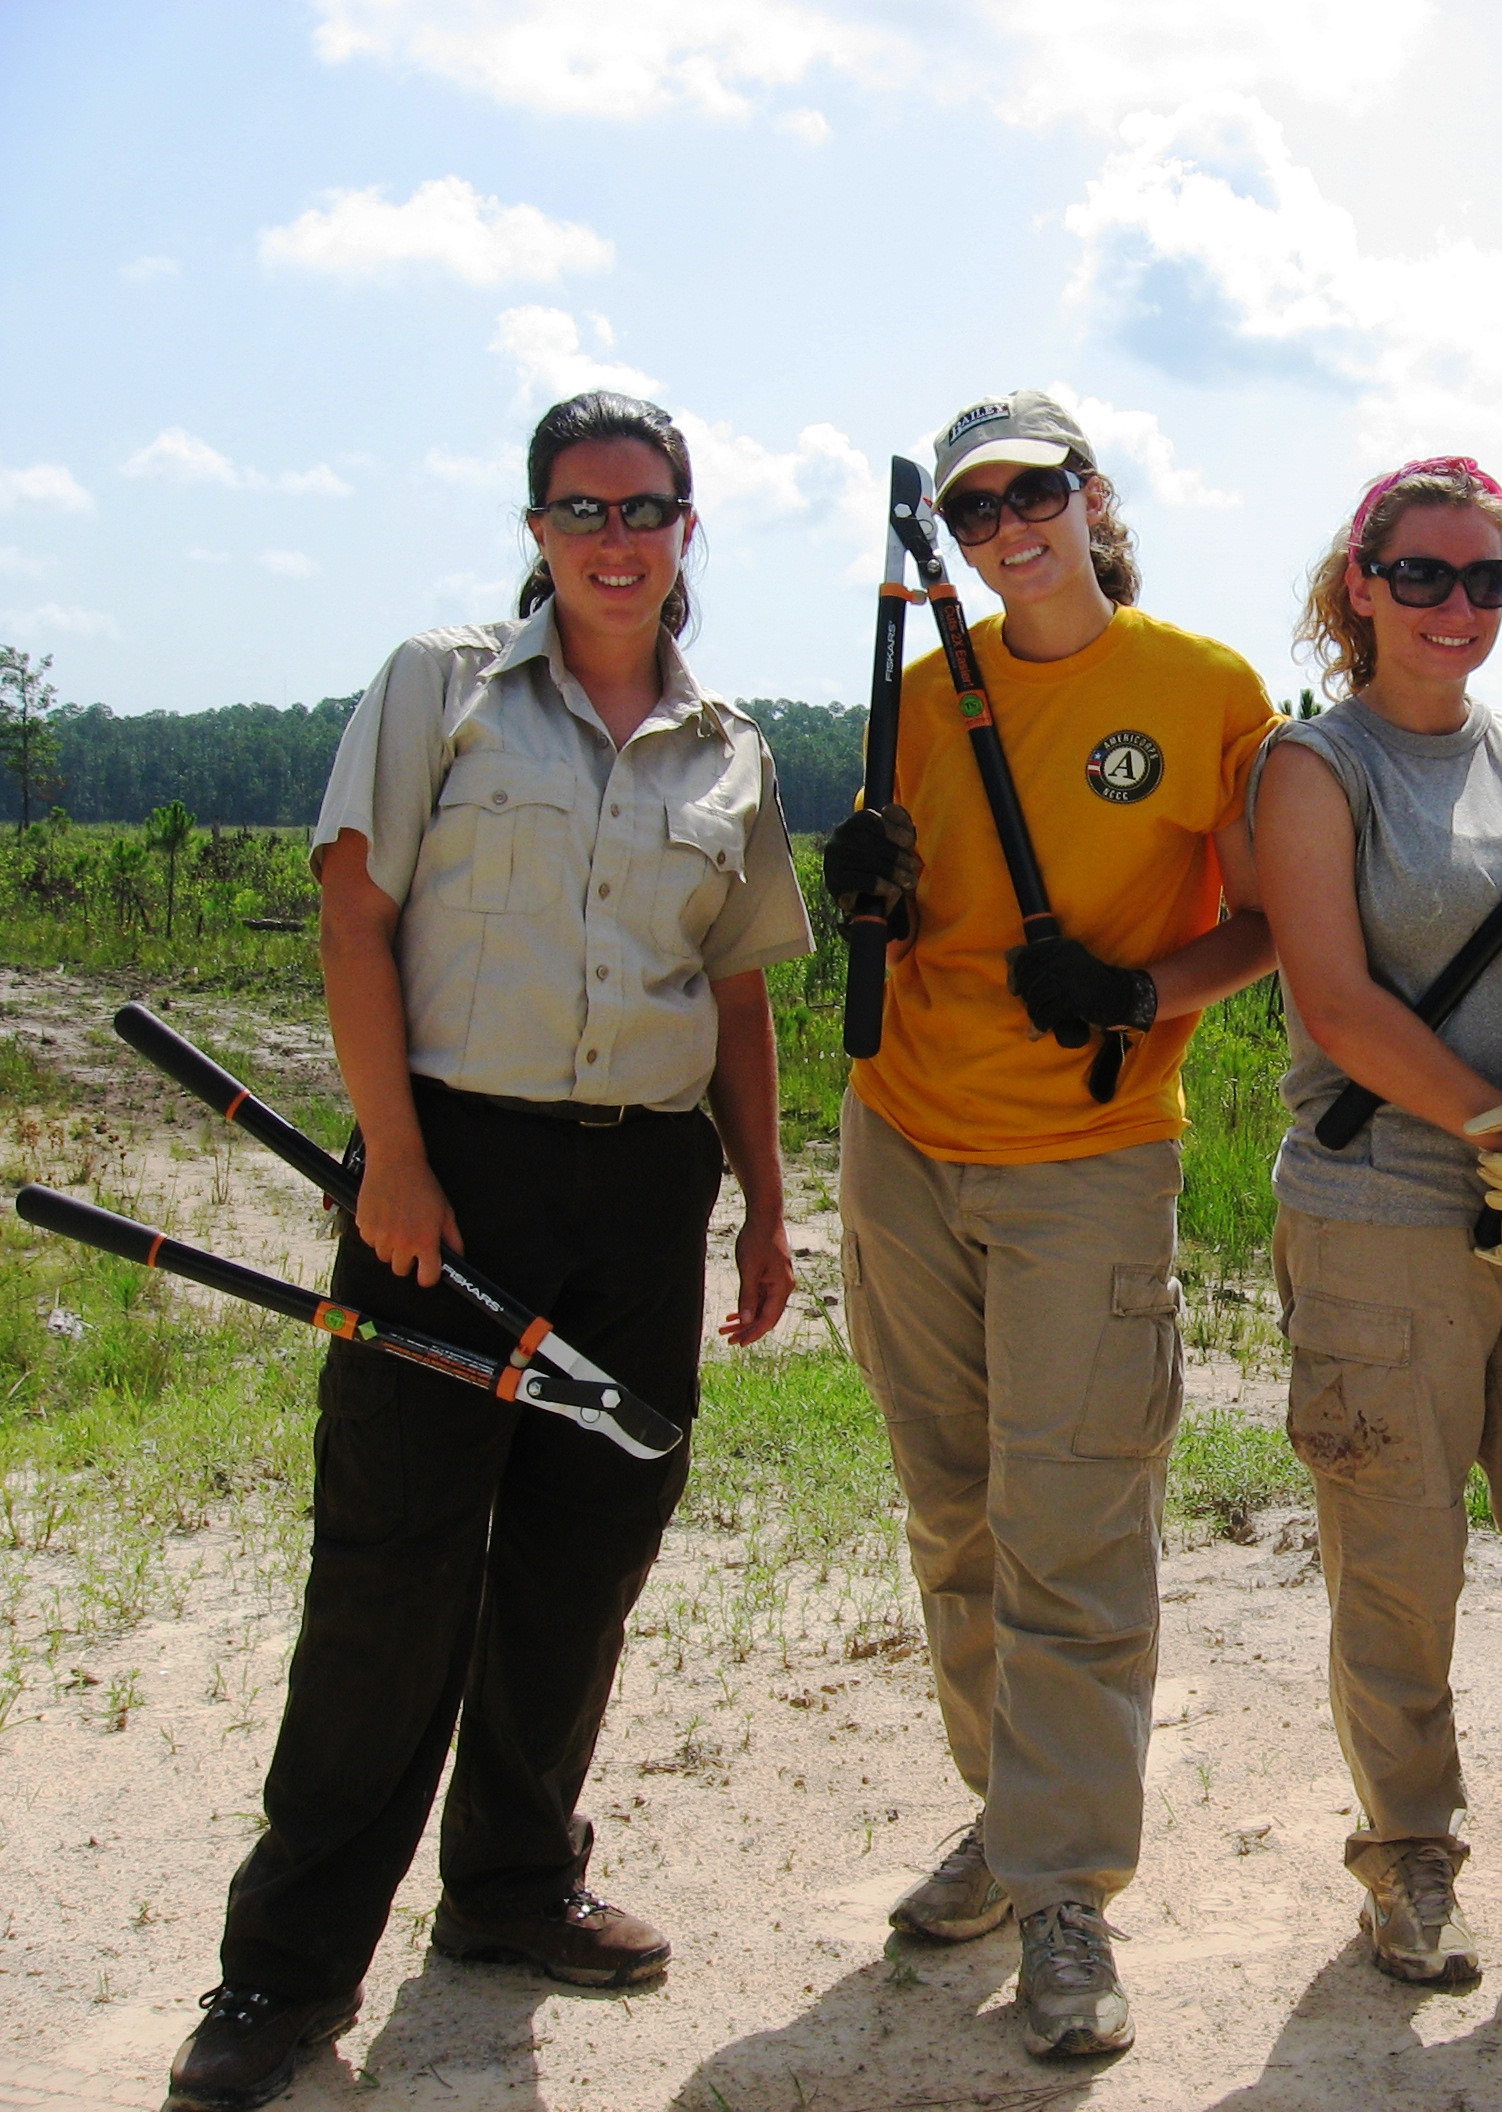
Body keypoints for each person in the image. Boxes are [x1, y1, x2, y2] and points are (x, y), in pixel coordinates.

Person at [168, 391, 810, 2112]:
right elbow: (355, 914)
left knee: (583, 1558)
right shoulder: (440, 687)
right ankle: (283, 1970)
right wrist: (391, 1157)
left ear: (689, 529)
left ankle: (514, 1888)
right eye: (581, 508)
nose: (616, 538)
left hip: (646, 1188)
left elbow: (737, 991)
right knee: (395, 1564)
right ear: (535, 530)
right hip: (454, 1175)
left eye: (646, 508)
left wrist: (763, 1200)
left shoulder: (731, 749)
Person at [824, 390, 1280, 2061]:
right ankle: (1012, 1817)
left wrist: (1140, 991)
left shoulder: (1205, 689)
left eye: (1033, 493)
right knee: (954, 1519)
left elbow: (1265, 924)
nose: (1007, 529)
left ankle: (1068, 1893)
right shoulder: (922, 693)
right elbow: (904, 913)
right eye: (974, 510)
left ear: (1091, 494)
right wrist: (866, 893)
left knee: (1071, 1529)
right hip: (902, 1137)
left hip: (1086, 1157)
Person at [1254, 457, 1502, 1985]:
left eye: (1487, 579)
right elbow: (1337, 1004)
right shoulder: (1316, 767)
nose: (1454, 605)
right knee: (1397, 1552)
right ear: (1361, 583)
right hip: (1384, 1211)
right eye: (1421, 574)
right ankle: (1410, 1852)